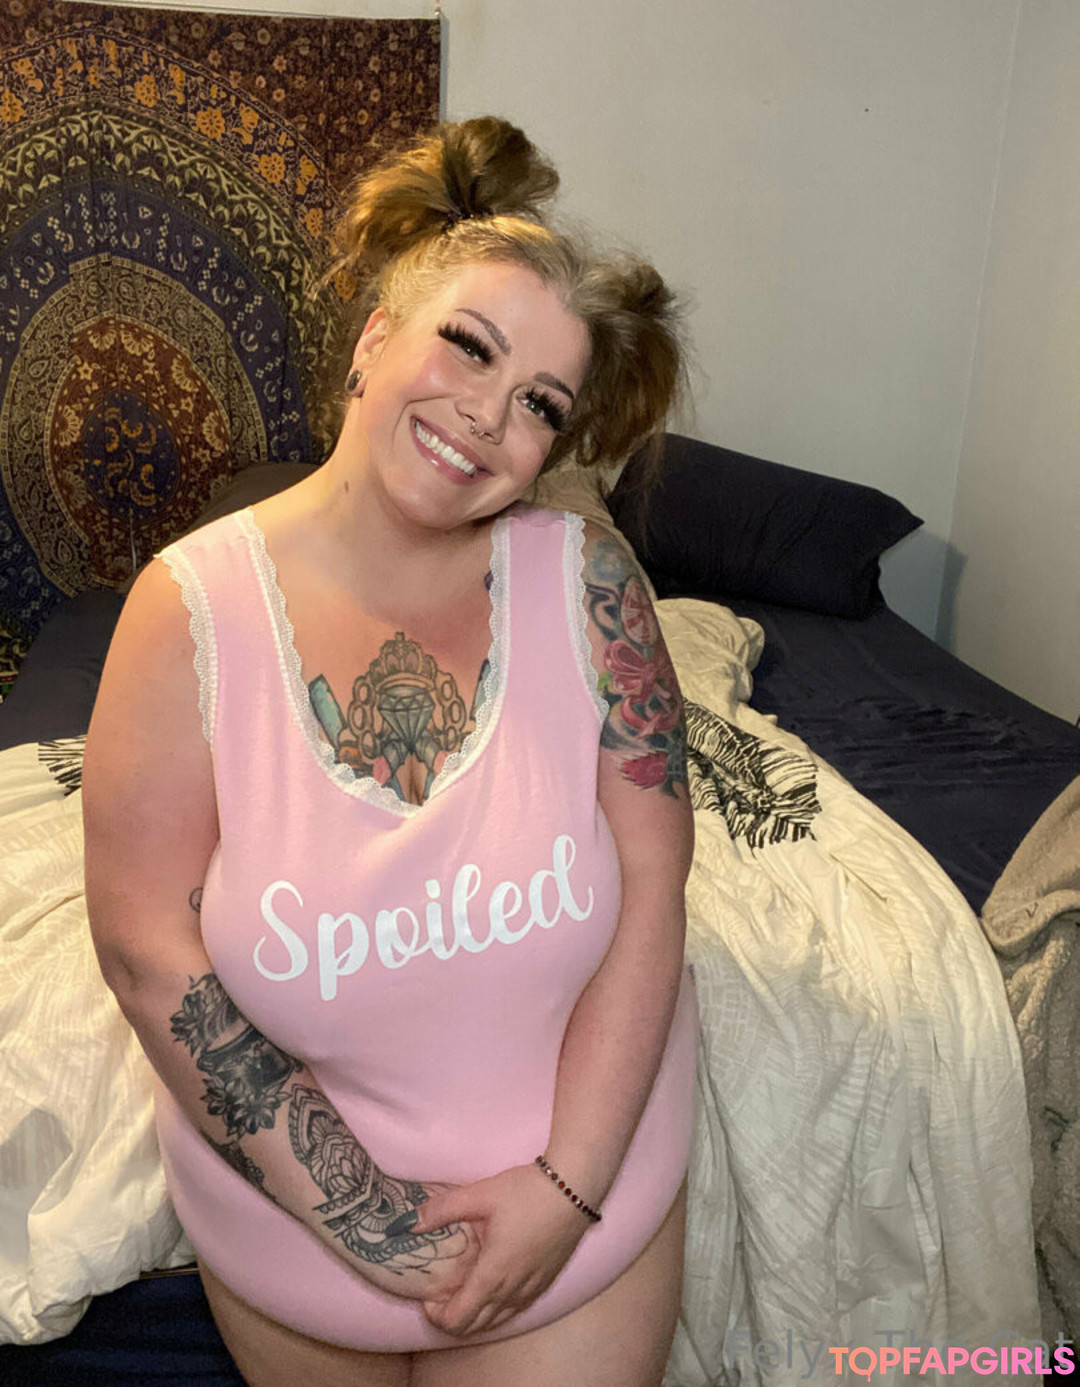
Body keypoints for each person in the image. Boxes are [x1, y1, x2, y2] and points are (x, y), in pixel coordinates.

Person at [84, 116, 697, 1387]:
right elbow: (148, 950)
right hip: (296, 1238)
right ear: (374, 339)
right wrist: (376, 1226)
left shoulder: (591, 581)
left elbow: (653, 887)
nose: (486, 415)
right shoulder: (186, 607)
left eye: (539, 406)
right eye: (469, 346)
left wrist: (564, 1191)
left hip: (578, 1221)